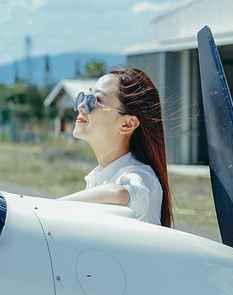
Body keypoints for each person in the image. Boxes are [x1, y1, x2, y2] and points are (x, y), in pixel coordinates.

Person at [60, 66, 173, 227]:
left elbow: (120, 194)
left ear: (127, 123)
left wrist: (47, 207)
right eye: (85, 97)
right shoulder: (100, 177)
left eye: (95, 101)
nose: (81, 106)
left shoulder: (141, 178)